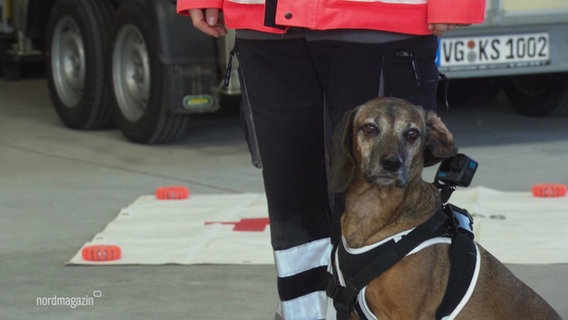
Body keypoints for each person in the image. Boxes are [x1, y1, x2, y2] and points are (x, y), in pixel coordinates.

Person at [177, 1, 486, 319]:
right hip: (266, 23)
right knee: (290, 195)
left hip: (378, 21)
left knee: (380, 199)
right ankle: (301, 314)